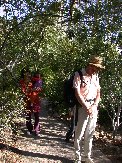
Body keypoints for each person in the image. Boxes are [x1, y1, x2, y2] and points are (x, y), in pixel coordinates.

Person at [73, 55, 105, 163]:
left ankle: (87, 157)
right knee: (79, 134)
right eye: (95, 67)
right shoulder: (79, 74)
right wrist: (86, 106)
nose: (96, 70)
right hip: (82, 108)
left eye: (97, 68)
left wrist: (94, 105)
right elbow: (77, 93)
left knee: (90, 134)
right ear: (90, 65)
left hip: (93, 108)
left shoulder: (95, 76)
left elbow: (98, 93)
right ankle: (77, 158)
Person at [20, 68, 42, 136]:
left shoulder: (33, 80)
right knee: (28, 116)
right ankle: (30, 129)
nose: (28, 75)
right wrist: (30, 90)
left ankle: (36, 130)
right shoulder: (22, 82)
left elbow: (39, 84)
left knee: (36, 115)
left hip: (35, 100)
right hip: (27, 101)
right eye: (26, 73)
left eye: (29, 73)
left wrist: (36, 89)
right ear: (23, 74)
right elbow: (23, 91)